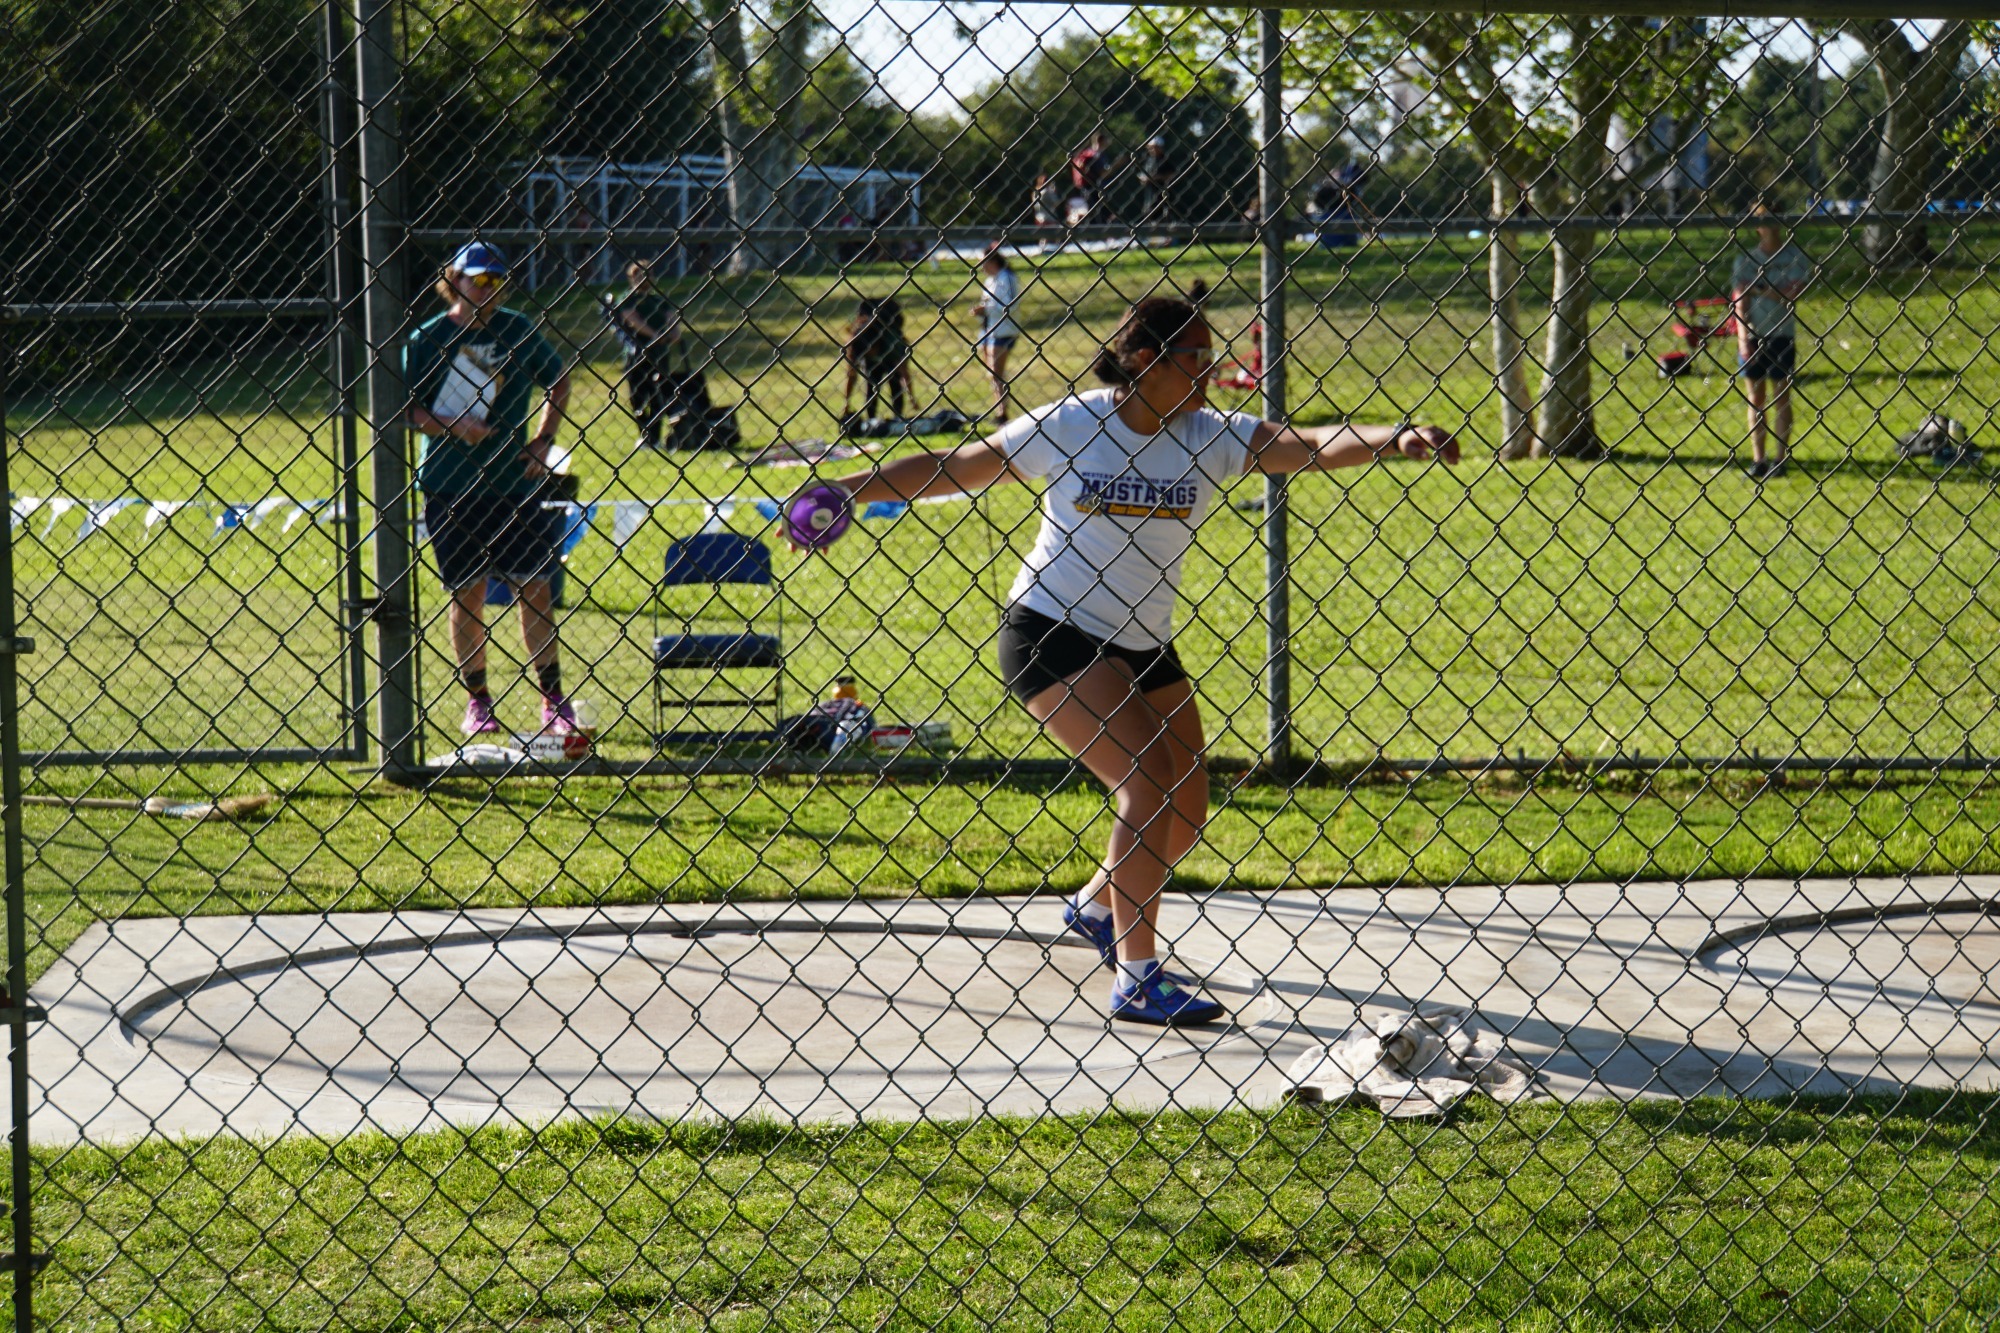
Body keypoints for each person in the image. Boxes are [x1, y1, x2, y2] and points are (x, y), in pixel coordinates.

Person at [809, 294, 1460, 1026]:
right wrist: (849, 489)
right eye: (1195, 359)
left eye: (1211, 360)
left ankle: (1095, 906)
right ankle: (1138, 976)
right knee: (1147, 786)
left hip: (1143, 641)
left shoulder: (1206, 436)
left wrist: (1393, 435)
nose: (1209, 373)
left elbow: (1305, 445)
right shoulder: (1075, 422)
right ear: (1144, 360)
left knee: (1188, 803)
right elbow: (960, 465)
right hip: (1052, 632)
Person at [405, 241, 579, 738]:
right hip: (449, 487)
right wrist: (449, 425)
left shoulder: (518, 330)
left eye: (497, 281)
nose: (489, 290)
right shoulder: (425, 339)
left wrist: (543, 441)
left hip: (513, 485)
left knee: (535, 589)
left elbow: (559, 380)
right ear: (453, 280)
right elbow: (400, 409)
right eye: (479, 280)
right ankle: (478, 702)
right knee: (468, 595)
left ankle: (552, 700)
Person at [1731, 202, 1810, 479]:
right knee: (1756, 398)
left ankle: (1780, 458)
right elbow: (1740, 300)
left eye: (1775, 221)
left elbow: (1790, 295)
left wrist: (1759, 288)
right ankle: (1758, 459)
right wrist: (1743, 339)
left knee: (1781, 397)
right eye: (1764, 221)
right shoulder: (1746, 260)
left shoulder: (1796, 258)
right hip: (1753, 335)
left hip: (1781, 335)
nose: (1770, 227)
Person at [610, 260, 688, 450]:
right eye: (639, 274)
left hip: (659, 355)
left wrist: (672, 334)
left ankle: (654, 436)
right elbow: (631, 319)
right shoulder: (628, 299)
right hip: (637, 354)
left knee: (658, 394)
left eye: (648, 273)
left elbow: (672, 319)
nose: (645, 278)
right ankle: (644, 433)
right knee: (638, 394)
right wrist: (654, 335)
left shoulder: (658, 299)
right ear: (631, 278)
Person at [842, 296, 915, 424]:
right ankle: (872, 420)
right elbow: (851, 375)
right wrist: (846, 402)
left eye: (872, 349)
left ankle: (898, 418)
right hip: (872, 364)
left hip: (890, 359)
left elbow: (904, 372)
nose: (870, 351)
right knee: (871, 387)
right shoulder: (857, 344)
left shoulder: (893, 343)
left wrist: (911, 397)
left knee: (895, 384)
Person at [972, 246, 1022, 425]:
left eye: (983, 263)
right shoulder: (990, 280)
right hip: (988, 329)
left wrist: (986, 309)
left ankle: (1003, 412)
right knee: (992, 374)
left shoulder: (1007, 278)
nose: (980, 267)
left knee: (996, 372)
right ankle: (999, 409)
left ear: (992, 262)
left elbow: (1010, 304)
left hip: (1004, 330)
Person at [1070, 132, 1112, 218]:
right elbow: (1101, 172)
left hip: (1084, 185)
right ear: (1101, 141)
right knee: (1098, 209)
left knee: (1091, 208)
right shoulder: (1097, 154)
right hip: (1094, 184)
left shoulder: (1086, 152)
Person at [1138, 136, 1175, 224]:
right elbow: (1143, 175)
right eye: (1150, 148)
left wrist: (1156, 178)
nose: (1151, 150)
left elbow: (1172, 174)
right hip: (1150, 195)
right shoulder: (1149, 161)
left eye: (1154, 147)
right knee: (1148, 216)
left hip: (1162, 195)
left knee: (1164, 219)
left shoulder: (1165, 160)